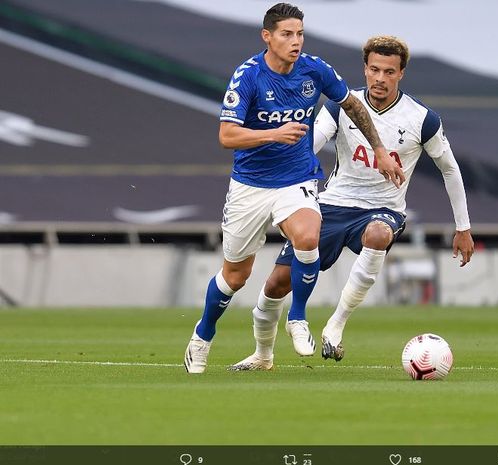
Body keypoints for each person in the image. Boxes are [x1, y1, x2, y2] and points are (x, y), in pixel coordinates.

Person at [229, 35, 474, 371]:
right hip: (332, 204)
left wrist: (463, 227)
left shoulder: (422, 119)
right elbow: (308, 146)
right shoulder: (340, 107)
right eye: (374, 70)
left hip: (381, 209)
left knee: (377, 234)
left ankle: (336, 326)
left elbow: (450, 170)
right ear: (365, 69)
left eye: (389, 72)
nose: (380, 78)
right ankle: (262, 355)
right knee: (276, 284)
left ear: (401, 73)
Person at [184, 5, 404, 374]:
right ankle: (202, 335)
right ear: (267, 37)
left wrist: (380, 149)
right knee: (235, 277)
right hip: (250, 186)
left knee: (307, 236)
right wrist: (274, 133)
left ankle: (297, 318)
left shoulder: (314, 70)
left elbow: (352, 104)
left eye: (300, 33)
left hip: (296, 179)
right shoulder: (248, 76)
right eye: (287, 34)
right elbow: (226, 135)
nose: (296, 41)